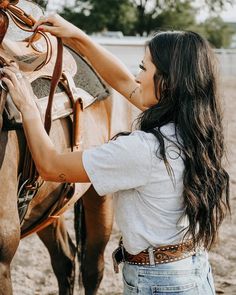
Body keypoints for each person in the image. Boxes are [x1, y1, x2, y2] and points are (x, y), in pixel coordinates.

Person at [2, 14, 229, 295]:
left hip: (158, 283)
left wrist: (28, 108)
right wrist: (78, 37)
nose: (136, 77)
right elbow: (124, 83)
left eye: (143, 69)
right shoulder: (195, 130)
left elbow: (50, 165)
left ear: (166, 84)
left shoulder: (142, 150)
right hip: (191, 270)